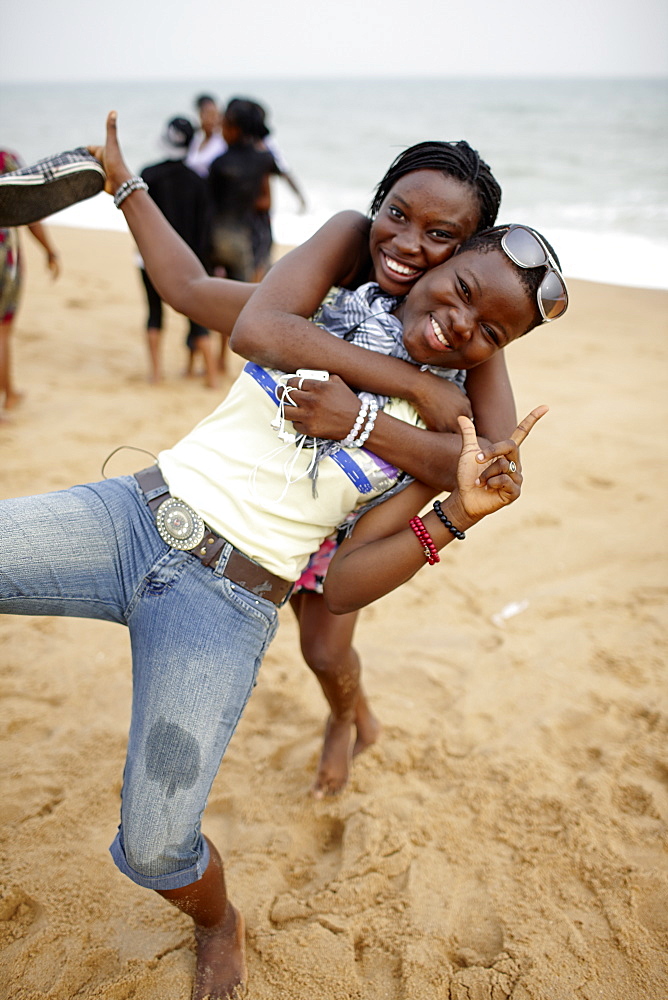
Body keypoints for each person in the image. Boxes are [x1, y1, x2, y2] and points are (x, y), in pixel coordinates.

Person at [0, 110, 567, 1000]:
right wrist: (125, 183)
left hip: (233, 594)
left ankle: (249, 873)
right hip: (133, 515)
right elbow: (197, 293)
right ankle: (345, 719)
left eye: (443, 243)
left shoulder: (451, 405)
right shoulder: (319, 306)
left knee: (318, 651)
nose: (420, 262)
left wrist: (434, 479)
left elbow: (472, 470)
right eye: (406, 226)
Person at [137, 117, 218, 388]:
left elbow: (138, 220)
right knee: (198, 316)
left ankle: (156, 374)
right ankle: (211, 376)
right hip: (189, 259)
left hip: (149, 257)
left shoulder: (147, 175)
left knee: (154, 312)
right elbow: (205, 228)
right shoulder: (198, 181)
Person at [0, 148, 60, 416]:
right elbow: (30, 211)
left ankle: (11, 391)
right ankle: (8, 396)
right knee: (2, 331)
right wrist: (49, 250)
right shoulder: (5, 160)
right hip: (3, 257)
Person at [185, 94, 226, 179]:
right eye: (208, 115)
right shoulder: (196, 139)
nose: (212, 120)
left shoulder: (222, 141)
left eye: (215, 115)